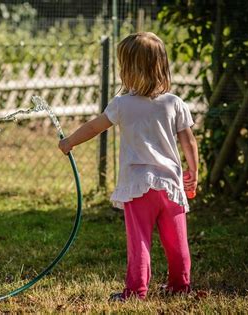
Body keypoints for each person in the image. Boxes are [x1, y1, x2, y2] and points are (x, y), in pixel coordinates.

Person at [58, 32, 198, 301]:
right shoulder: (175, 103)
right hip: (171, 185)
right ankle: (180, 287)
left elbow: (94, 127)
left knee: (140, 242)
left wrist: (69, 142)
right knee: (177, 241)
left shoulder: (122, 104)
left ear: (129, 70)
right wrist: (194, 172)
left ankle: (136, 292)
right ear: (161, 66)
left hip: (138, 186)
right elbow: (189, 142)